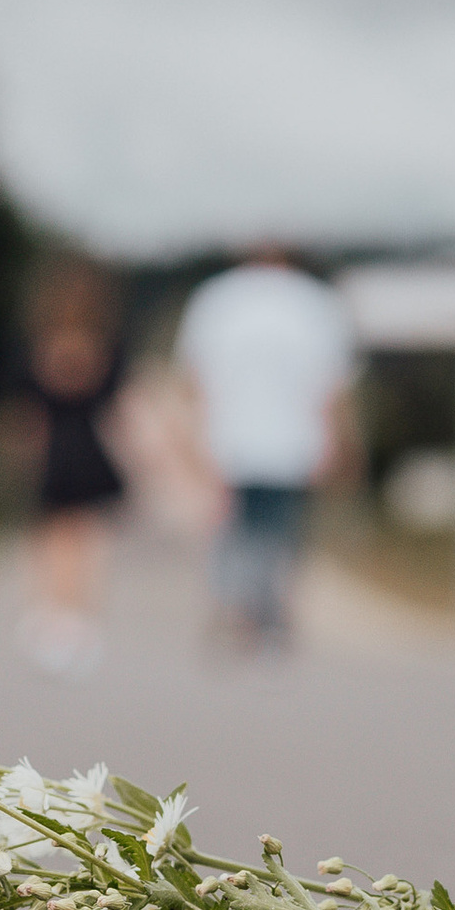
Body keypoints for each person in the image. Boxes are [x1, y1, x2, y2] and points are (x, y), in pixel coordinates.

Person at [174, 244, 357, 648]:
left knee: (233, 531)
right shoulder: (316, 302)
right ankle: (265, 617)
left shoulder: (216, 298)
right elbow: (332, 384)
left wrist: (194, 436)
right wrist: (335, 439)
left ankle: (237, 612)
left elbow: (193, 377)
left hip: (229, 439)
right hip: (292, 440)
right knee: (279, 535)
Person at [0, 254, 126, 672]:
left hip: (53, 449)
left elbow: (23, 408)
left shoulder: (35, 344)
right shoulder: (106, 347)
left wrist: (16, 456)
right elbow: (114, 403)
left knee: (50, 536)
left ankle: (51, 614)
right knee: (83, 538)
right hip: (88, 447)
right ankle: (76, 618)